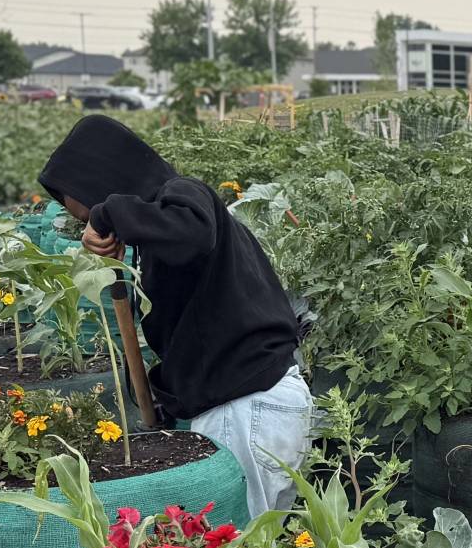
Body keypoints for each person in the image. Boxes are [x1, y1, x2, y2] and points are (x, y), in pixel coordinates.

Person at [38, 116, 310, 514]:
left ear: (100, 181)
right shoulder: (165, 226)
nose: (84, 222)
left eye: (82, 209)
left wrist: (106, 214)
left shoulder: (184, 194)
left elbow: (192, 234)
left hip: (249, 406)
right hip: (248, 402)